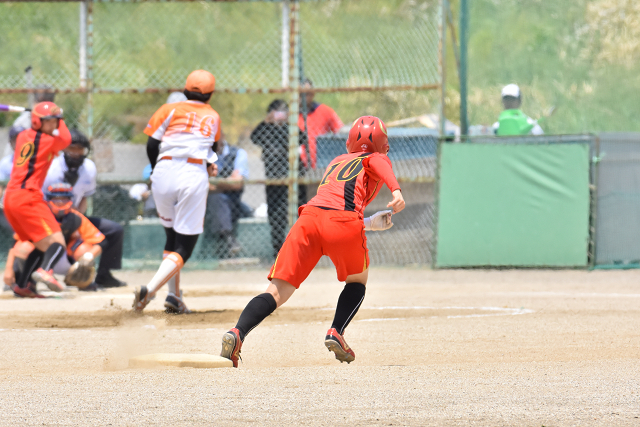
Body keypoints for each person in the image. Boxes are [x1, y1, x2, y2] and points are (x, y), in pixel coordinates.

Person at [220, 116, 405, 368]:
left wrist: (369, 222)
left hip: (308, 220)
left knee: (277, 291)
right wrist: (396, 191)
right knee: (357, 281)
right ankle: (336, 331)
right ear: (384, 145)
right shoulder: (377, 157)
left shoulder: (336, 161)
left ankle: (238, 331)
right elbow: (377, 166)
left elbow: (329, 206)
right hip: (343, 223)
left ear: (349, 142)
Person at [133, 69, 221, 315]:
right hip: (192, 174)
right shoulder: (213, 116)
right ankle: (150, 290)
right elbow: (212, 148)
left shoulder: (168, 109)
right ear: (210, 95)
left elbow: (152, 143)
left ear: (185, 90)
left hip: (163, 171)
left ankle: (174, 296)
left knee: (171, 237)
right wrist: (210, 164)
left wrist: (155, 170)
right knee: (185, 245)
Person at [3, 101, 72, 297]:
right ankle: (46, 271)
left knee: (38, 243)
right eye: (50, 122)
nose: (54, 126)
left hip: (11, 198)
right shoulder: (49, 141)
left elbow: (38, 132)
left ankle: (23, 286)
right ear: (36, 121)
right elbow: (66, 139)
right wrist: (62, 117)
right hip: (28, 197)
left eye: (55, 122)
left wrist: (51, 115)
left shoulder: (23, 136)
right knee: (57, 242)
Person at [42, 129, 127, 288]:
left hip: (75, 215)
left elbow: (84, 198)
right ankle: (27, 277)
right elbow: (42, 199)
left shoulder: (89, 168)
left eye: (80, 149)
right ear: (64, 149)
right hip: (50, 217)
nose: (76, 152)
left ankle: (104, 275)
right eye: (72, 148)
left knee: (115, 230)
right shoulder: (51, 168)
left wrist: (76, 221)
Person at [4, 183, 106, 295]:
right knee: (24, 247)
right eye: (56, 198)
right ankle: (27, 283)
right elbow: (15, 243)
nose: (60, 202)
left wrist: (88, 257)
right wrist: (9, 270)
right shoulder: (39, 216)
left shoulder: (75, 217)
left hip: (65, 260)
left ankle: (82, 282)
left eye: (64, 198)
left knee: (84, 250)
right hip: (42, 259)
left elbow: (100, 241)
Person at [250, 99, 307, 258]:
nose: (280, 115)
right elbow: (254, 138)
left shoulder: (291, 129)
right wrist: (266, 121)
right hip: (274, 180)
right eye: (277, 112)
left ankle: (302, 250)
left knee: (300, 214)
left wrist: (288, 122)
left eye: (283, 111)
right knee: (276, 217)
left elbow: (302, 138)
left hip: (294, 178)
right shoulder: (266, 130)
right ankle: (279, 252)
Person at [204, 135, 249, 258]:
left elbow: (238, 183)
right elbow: (202, 184)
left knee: (217, 197)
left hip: (233, 201)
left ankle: (226, 239)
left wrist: (214, 183)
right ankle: (229, 238)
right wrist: (228, 181)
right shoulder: (202, 155)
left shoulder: (238, 153)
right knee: (216, 197)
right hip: (205, 202)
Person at [298, 78, 344, 170]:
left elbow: (340, 131)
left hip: (321, 166)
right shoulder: (289, 114)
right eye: (300, 94)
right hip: (297, 167)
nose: (303, 97)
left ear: (313, 93)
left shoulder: (325, 111)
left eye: (307, 94)